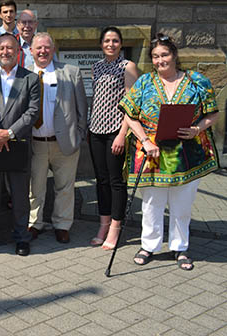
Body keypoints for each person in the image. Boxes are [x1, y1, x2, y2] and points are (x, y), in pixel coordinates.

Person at [120, 34, 219, 271]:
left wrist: (197, 128)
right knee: (152, 203)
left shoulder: (197, 82)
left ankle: (179, 247)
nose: (160, 60)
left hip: (186, 152)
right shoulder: (144, 83)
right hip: (152, 152)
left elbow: (212, 113)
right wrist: (145, 141)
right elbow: (129, 115)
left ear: (174, 55)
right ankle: (149, 245)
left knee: (182, 203)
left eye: (164, 54)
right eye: (155, 56)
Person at [0, 33, 39, 256]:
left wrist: (9, 133)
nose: (5, 52)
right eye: (1, 48)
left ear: (18, 51)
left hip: (18, 143)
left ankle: (22, 238)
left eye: (10, 48)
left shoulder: (30, 79)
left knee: (20, 196)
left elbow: (32, 112)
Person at [27, 33, 87, 243]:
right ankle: (35, 223)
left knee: (64, 187)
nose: (43, 51)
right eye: (38, 48)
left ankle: (62, 224)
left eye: (46, 47)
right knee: (36, 188)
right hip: (35, 144)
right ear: (31, 51)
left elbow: (82, 108)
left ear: (53, 50)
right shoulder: (25, 75)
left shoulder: (71, 72)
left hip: (65, 144)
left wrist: (79, 135)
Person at [88, 27, 140, 249]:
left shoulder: (127, 67)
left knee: (116, 181)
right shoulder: (96, 67)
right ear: (101, 44)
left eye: (115, 41)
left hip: (115, 132)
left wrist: (122, 135)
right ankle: (103, 223)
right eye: (107, 41)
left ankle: (116, 228)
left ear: (121, 43)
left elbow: (131, 105)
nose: (111, 44)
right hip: (95, 130)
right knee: (101, 181)